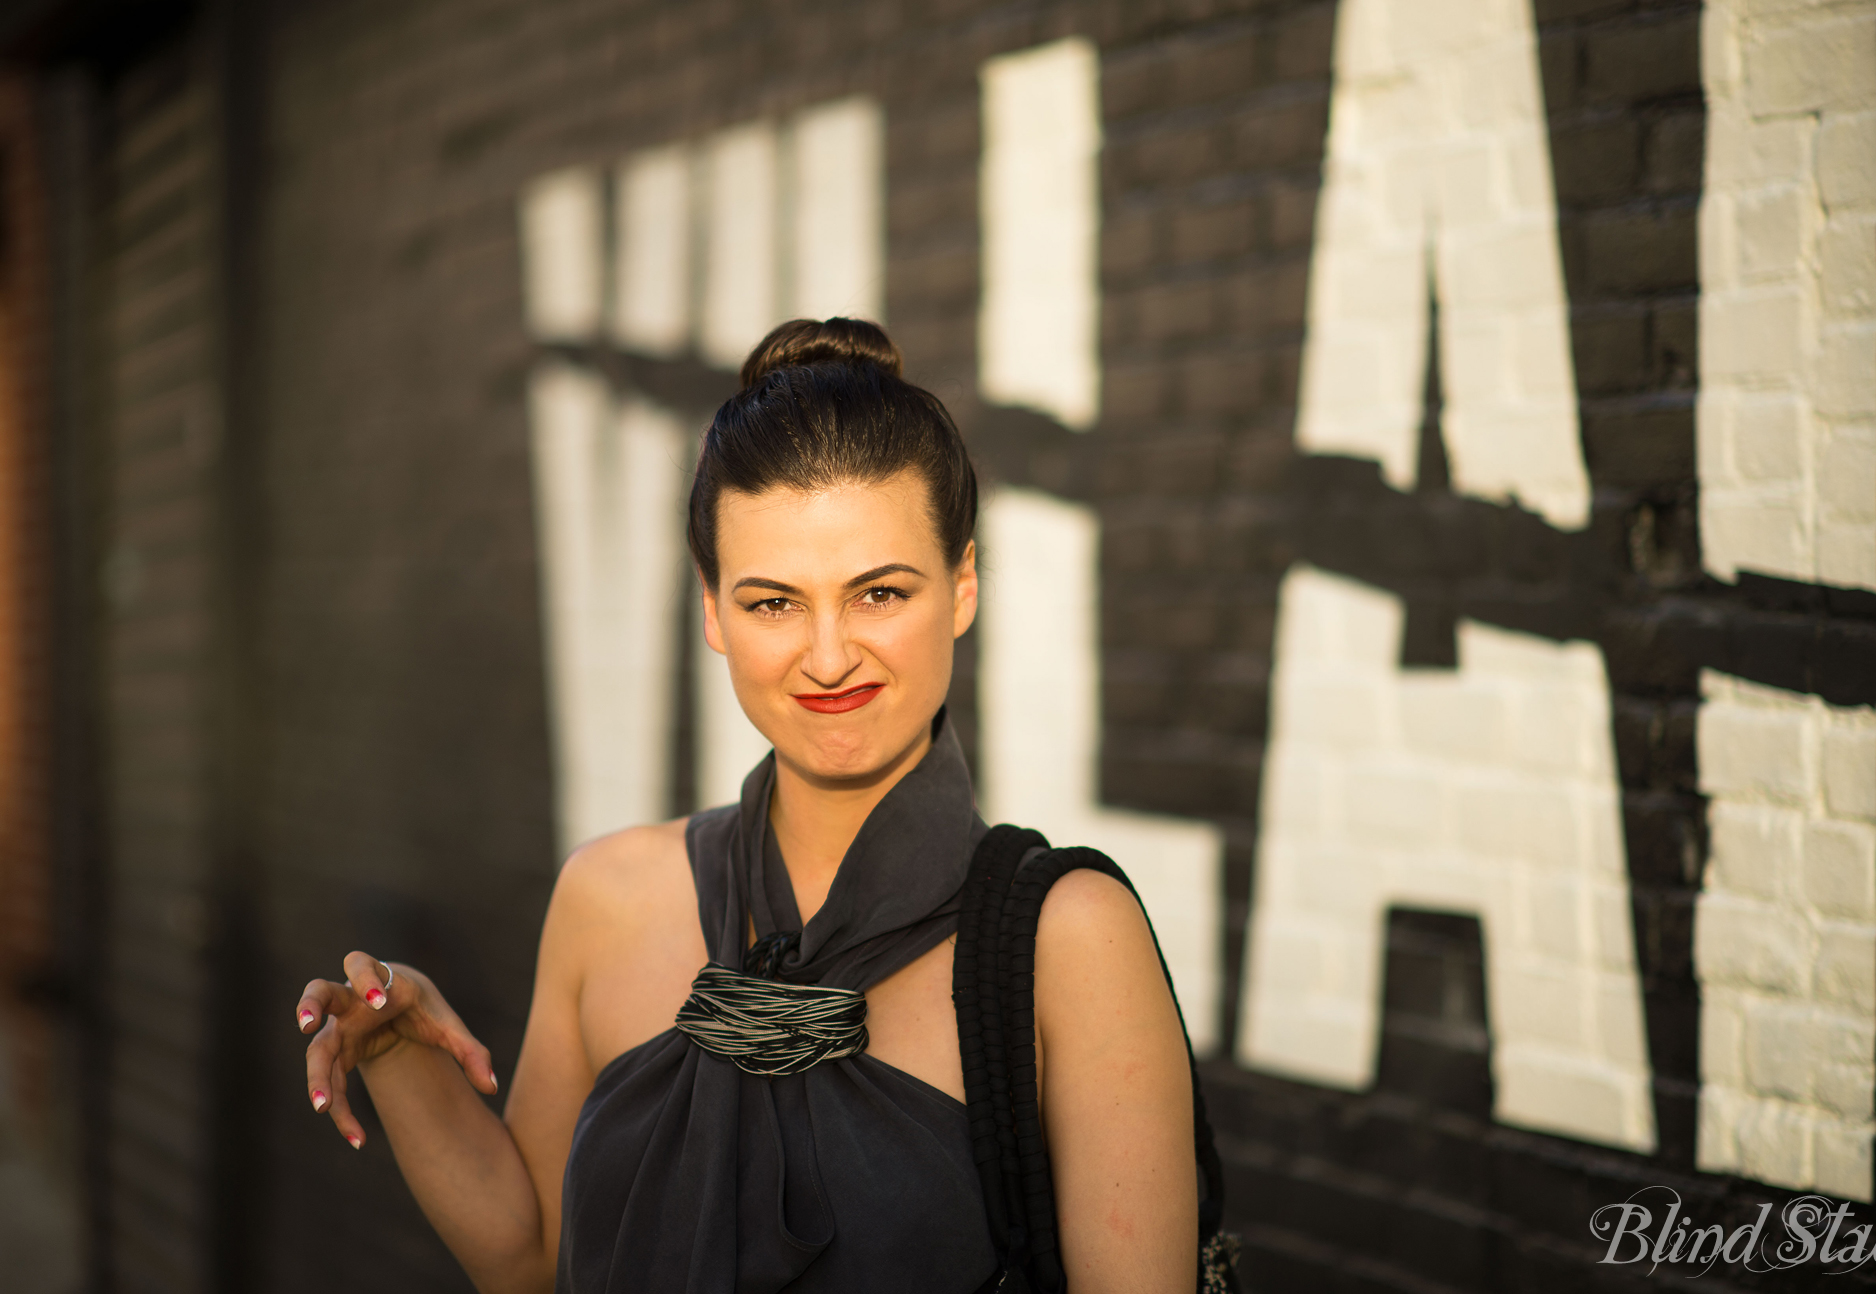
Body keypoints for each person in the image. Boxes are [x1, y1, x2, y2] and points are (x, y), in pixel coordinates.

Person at [294, 318, 1198, 1293]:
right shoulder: (608, 895)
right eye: (774, 602)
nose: (827, 655)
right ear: (715, 609)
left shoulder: (1070, 940)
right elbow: (533, 1259)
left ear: (964, 584)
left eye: (879, 593)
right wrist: (395, 1053)